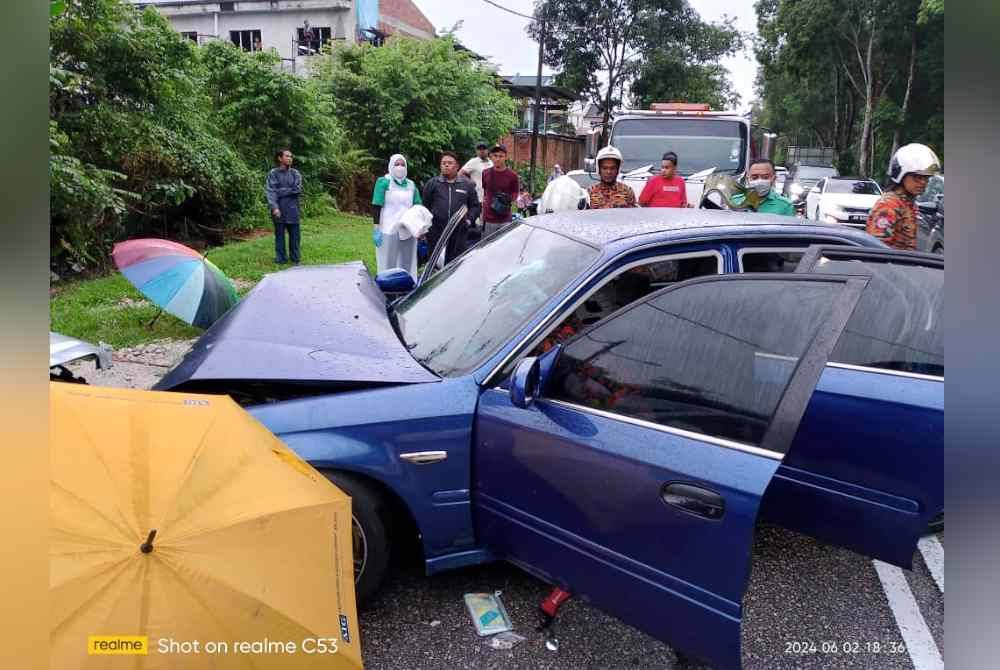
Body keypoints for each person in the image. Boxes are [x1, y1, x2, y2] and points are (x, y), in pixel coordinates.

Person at [866, 143, 941, 250]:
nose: (923, 182)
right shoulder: (889, 206)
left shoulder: (907, 203)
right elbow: (877, 250)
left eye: (926, 178)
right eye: (917, 177)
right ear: (901, 175)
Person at [422, 151, 481, 263]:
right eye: (443, 163)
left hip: (459, 234)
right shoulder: (432, 184)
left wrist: (469, 220)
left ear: (457, 166)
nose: (446, 165)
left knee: (455, 267)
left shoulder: (467, 185)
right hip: (436, 234)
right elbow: (425, 207)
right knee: (435, 266)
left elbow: (475, 206)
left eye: (450, 163)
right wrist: (427, 227)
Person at [371, 154, 422, 277]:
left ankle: (408, 289)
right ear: (391, 166)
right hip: (388, 229)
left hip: (408, 229)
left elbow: (418, 206)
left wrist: (419, 228)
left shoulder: (411, 185)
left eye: (402, 164)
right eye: (397, 164)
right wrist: (376, 228)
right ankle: (387, 289)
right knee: (388, 263)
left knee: (407, 263)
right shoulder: (383, 182)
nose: (400, 167)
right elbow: (376, 205)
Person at [265, 148, 303, 264]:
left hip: (293, 209)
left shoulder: (295, 173)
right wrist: (275, 207)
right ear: (280, 158)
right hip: (279, 209)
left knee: (295, 236)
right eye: (287, 156)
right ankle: (281, 258)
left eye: (291, 156)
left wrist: (280, 191)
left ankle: (295, 258)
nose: (290, 158)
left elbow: (297, 190)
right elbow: (271, 191)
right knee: (280, 235)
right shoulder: (273, 173)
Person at [481, 144, 520, 237]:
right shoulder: (485, 173)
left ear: (505, 157)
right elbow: (485, 190)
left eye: (501, 156)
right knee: (487, 247)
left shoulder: (513, 175)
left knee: (504, 247)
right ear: (491, 157)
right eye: (495, 156)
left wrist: (508, 199)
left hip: (505, 218)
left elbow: (515, 192)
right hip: (489, 218)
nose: (498, 159)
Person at [460, 142, 492, 221]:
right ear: (476, 151)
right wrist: (470, 182)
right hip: (478, 198)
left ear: (487, 150)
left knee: (488, 222)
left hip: (490, 199)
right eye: (479, 149)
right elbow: (460, 174)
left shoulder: (491, 162)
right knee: (478, 222)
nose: (482, 151)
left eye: (484, 149)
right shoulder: (473, 161)